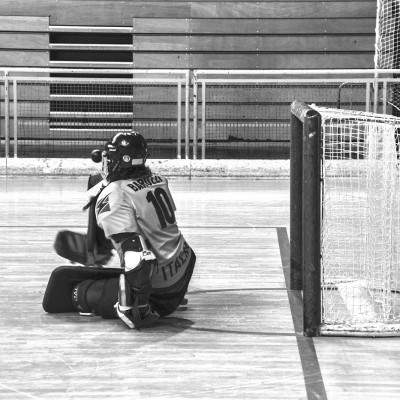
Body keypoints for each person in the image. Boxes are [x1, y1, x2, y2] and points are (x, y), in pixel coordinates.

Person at [45, 131, 196, 330]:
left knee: (78, 293)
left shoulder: (115, 194)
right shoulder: (159, 180)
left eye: (109, 157)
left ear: (118, 160)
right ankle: (98, 250)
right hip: (183, 267)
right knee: (98, 186)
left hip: (159, 293)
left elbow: (137, 257)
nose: (105, 161)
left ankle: (135, 299)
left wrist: (135, 307)